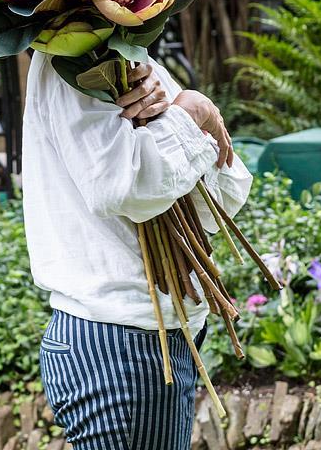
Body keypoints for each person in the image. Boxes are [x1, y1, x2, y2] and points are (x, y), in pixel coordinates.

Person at [22, 51, 253, 449]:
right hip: (121, 345)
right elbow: (124, 187)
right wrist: (190, 113)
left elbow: (220, 201)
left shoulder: (130, 57)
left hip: (155, 336)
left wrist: (184, 117)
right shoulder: (71, 59)